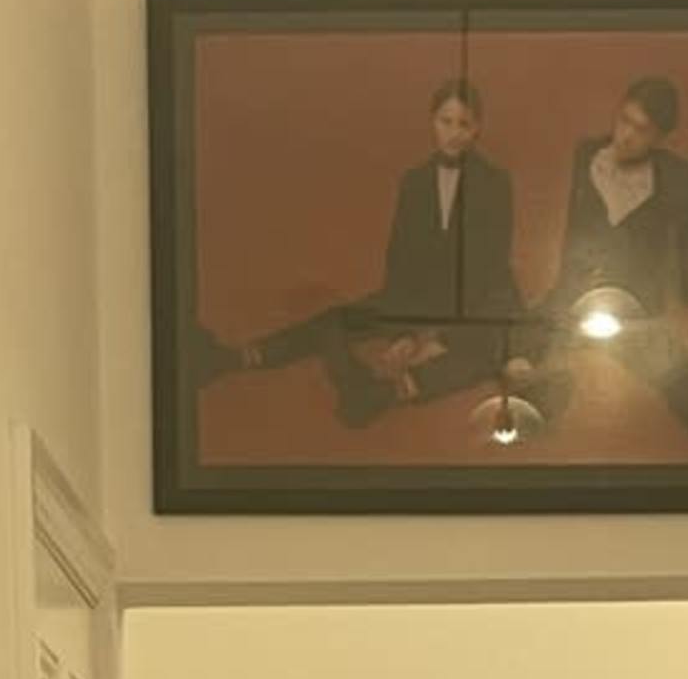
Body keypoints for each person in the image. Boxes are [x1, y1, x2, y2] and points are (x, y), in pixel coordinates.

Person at [202, 76, 522, 423]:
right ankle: (241, 358)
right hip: (419, 297)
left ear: (478, 129)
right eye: (446, 121)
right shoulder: (414, 181)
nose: (454, 133)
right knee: (335, 321)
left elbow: (488, 267)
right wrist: (402, 332)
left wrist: (439, 338)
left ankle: (379, 394)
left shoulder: (495, 183)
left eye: (465, 124)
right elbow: (400, 259)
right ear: (432, 121)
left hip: (477, 302)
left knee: (481, 354)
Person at [534, 74, 688, 448]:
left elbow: (686, 240)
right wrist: (563, 289)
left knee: (662, 353)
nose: (625, 134)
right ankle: (529, 410)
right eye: (623, 120)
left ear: (659, 139)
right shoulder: (587, 154)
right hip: (579, 288)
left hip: (634, 299)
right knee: (527, 337)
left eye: (640, 130)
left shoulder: (676, 175)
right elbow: (572, 227)